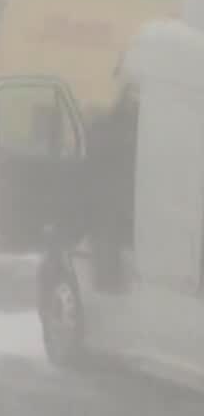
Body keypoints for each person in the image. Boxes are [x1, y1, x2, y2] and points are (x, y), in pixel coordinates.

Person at [85, 82, 139, 292]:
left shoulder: (107, 125)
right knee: (106, 240)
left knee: (108, 241)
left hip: (110, 195)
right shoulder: (112, 128)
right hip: (108, 195)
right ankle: (108, 281)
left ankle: (109, 280)